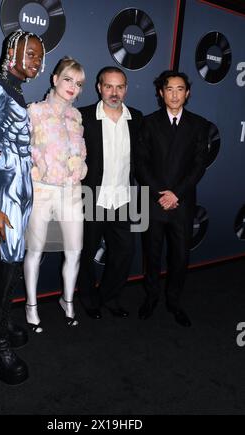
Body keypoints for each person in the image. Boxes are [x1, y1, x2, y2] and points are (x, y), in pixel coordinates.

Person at [0, 30, 45, 384]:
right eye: (29, 54)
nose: (35, 61)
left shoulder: (16, 92)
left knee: (13, 261)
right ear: (12, 53)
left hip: (22, 193)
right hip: (4, 197)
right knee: (7, 263)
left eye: (38, 56)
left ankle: (2, 323)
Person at [136, 70, 209, 327]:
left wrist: (176, 193)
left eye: (180, 89)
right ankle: (152, 296)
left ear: (187, 93)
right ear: (161, 92)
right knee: (152, 254)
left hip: (182, 203)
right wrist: (160, 194)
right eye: (169, 89)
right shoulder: (148, 123)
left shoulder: (199, 125)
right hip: (154, 202)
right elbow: (141, 164)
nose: (175, 94)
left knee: (180, 256)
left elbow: (198, 166)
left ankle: (174, 301)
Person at [23, 57, 87, 331]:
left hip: (72, 192)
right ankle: (31, 305)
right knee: (35, 251)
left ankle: (68, 301)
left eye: (79, 83)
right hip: (41, 191)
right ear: (55, 79)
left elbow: (81, 151)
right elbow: (19, 151)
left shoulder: (77, 115)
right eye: (69, 80)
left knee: (75, 250)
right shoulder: (34, 111)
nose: (74, 87)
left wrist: (81, 166)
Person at [77, 66, 143, 319]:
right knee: (85, 254)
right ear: (99, 87)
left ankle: (109, 297)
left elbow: (143, 160)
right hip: (92, 198)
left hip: (126, 199)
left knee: (125, 253)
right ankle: (88, 299)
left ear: (125, 89)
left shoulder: (137, 118)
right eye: (109, 86)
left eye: (120, 87)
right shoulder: (82, 117)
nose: (114, 92)